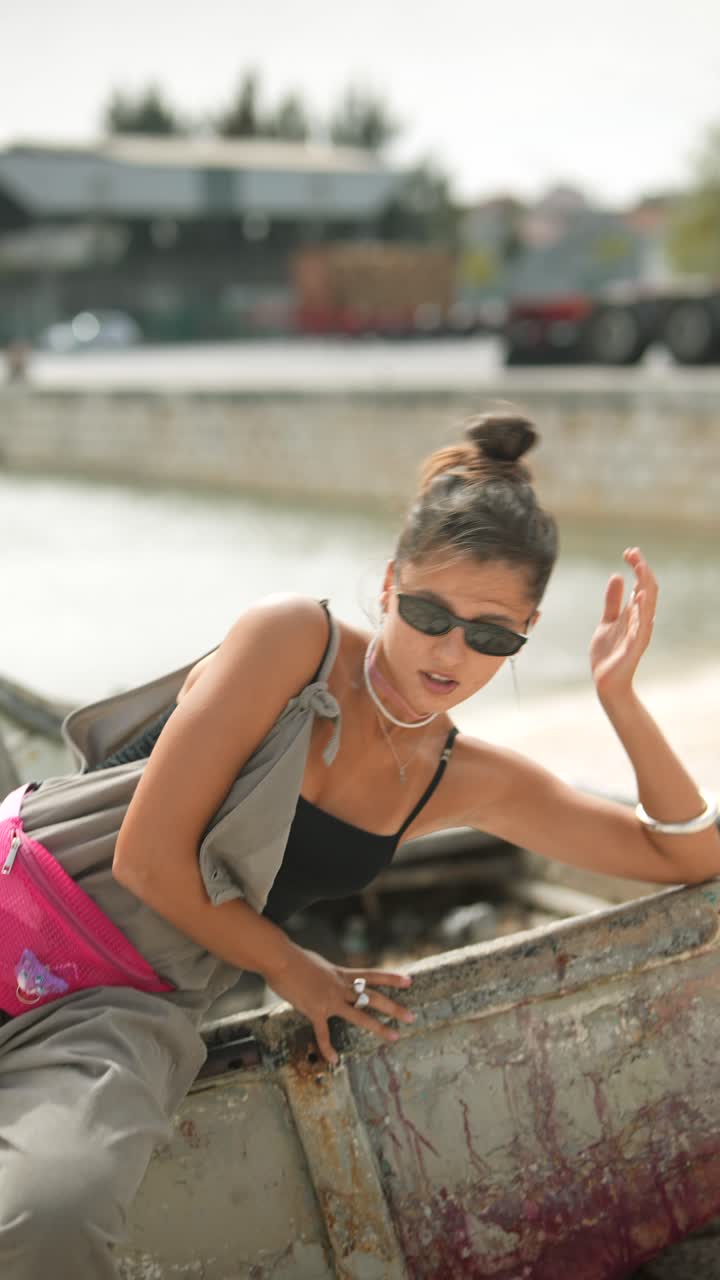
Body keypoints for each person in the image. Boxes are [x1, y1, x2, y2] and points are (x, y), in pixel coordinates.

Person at [0, 411, 718, 1279]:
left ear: (527, 630)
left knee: (53, 1215)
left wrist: (622, 701)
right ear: (388, 584)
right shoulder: (290, 639)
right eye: (427, 613)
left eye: (492, 634)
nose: (451, 650)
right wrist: (299, 972)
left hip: (127, 1008)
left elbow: (686, 855)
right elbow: (147, 859)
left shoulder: (468, 779)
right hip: (27, 895)